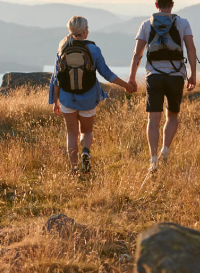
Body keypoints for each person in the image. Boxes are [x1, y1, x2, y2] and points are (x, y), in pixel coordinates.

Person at [49, 16, 135, 174]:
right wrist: (126, 86)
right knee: (86, 131)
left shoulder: (62, 47)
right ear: (84, 31)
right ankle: (85, 152)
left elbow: (56, 78)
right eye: (87, 28)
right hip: (88, 98)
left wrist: (55, 101)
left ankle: (74, 168)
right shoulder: (93, 50)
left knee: (71, 133)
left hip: (67, 98)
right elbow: (107, 74)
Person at [127, 0, 197, 172]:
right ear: (172, 4)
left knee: (153, 118)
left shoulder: (146, 24)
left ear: (156, 5)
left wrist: (132, 77)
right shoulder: (182, 23)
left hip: (154, 76)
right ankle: (165, 149)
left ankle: (153, 159)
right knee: (172, 115)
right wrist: (193, 75)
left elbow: (137, 54)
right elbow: (191, 50)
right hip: (176, 76)